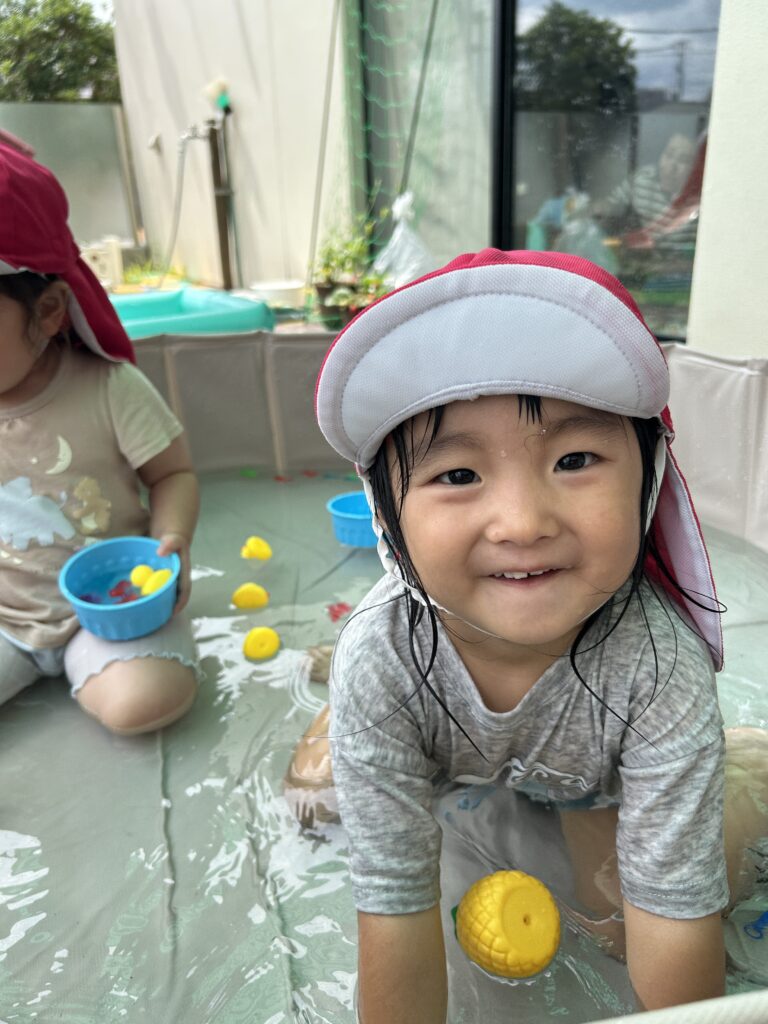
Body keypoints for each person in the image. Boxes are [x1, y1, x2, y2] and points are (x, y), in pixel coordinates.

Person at [291, 248, 768, 1020]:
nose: (522, 523)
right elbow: (395, 914)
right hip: (430, 724)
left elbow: (673, 932)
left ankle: (742, 753)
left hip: (590, 775)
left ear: (648, 481)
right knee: (311, 801)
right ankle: (347, 721)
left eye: (574, 459)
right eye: (457, 475)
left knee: (619, 925)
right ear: (387, 517)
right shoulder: (384, 661)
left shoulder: (656, 665)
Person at [0, 142, 199, 734]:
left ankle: (101, 666)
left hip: (111, 606)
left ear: (49, 310)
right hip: (6, 618)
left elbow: (172, 473)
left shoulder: (109, 388)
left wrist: (171, 537)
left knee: (145, 703)